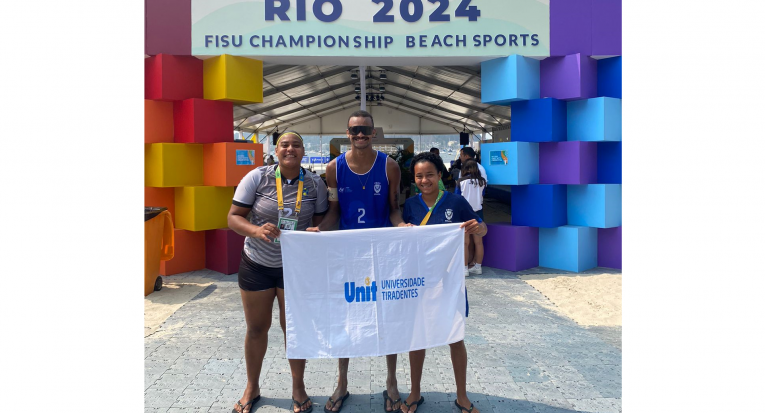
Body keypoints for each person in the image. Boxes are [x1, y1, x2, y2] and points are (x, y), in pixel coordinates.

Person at [306, 110, 406, 413]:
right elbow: (334, 211)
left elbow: (393, 209)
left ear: (374, 133)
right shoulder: (333, 168)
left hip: (382, 253)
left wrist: (402, 226)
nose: (360, 135)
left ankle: (391, 383)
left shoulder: (389, 166)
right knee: (345, 317)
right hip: (348, 253)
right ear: (346, 134)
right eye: (354, 130)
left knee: (388, 316)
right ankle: (342, 383)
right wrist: (319, 230)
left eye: (365, 130)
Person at [227, 131, 328, 413]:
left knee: (292, 329)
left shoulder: (314, 184)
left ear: (303, 151)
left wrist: (317, 230)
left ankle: (298, 386)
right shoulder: (257, 178)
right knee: (257, 328)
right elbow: (233, 217)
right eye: (285, 144)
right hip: (257, 263)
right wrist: (257, 230)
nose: (290, 149)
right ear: (276, 149)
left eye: (296, 144)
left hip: (294, 268)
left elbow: (321, 220)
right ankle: (252, 386)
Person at [400, 151, 487, 413]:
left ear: (440, 175)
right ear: (414, 179)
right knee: (418, 338)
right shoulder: (411, 205)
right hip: (419, 281)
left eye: (429, 175)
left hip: (450, 282)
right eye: (419, 176)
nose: (424, 180)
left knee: (455, 337)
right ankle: (415, 392)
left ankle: (462, 395)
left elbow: (482, 227)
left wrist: (477, 228)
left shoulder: (456, 202)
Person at [455, 159, 487, 275]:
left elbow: (457, 197)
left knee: (465, 243)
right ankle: (478, 267)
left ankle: (464, 269)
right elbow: (482, 195)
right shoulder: (482, 181)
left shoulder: (460, 181)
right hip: (478, 212)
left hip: (464, 213)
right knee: (479, 242)